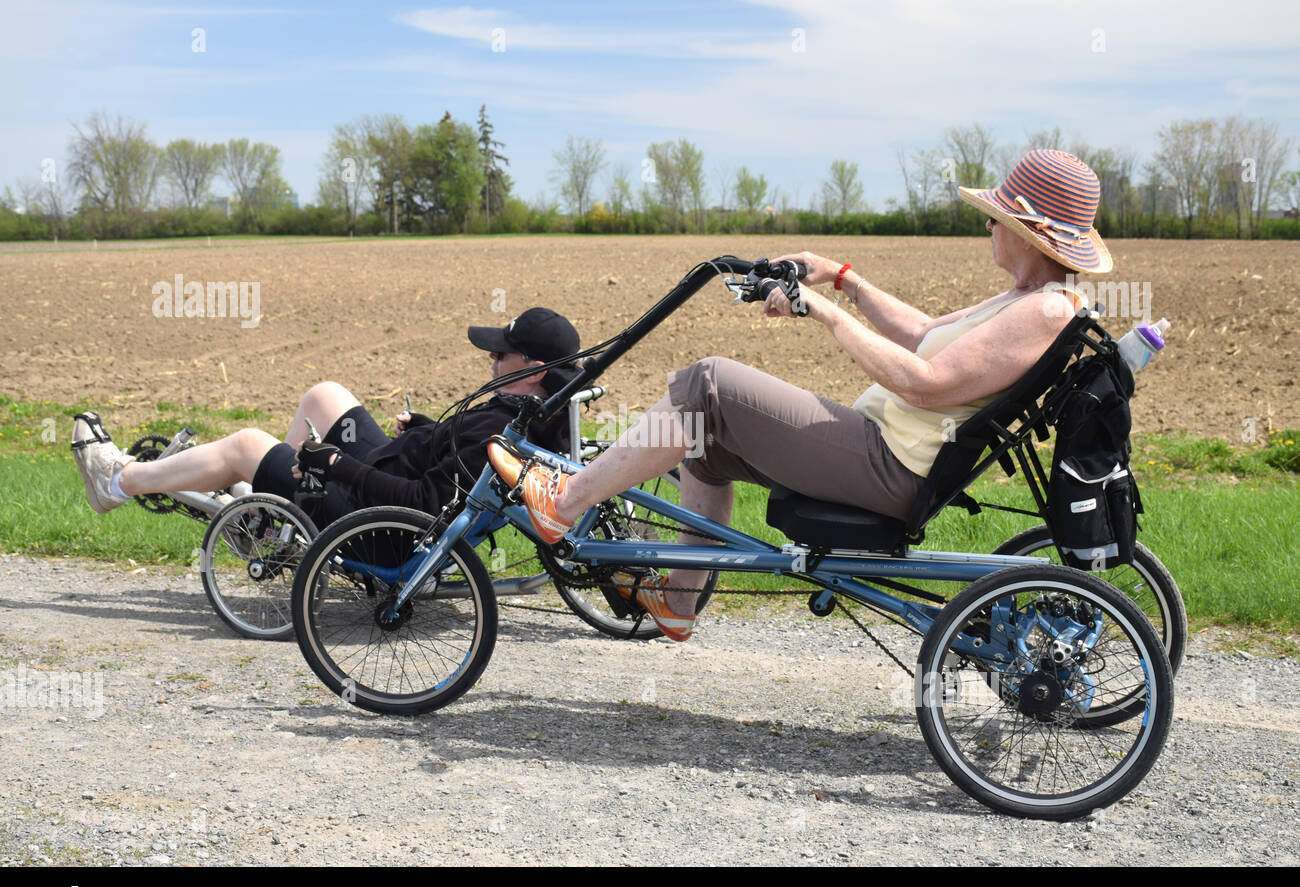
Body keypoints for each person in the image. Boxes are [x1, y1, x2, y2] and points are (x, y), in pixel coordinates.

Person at [488, 150, 1111, 641]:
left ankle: (564, 503)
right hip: (881, 450)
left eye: (998, 217)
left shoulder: (1044, 310)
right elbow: (924, 335)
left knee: (707, 381)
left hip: (887, 464)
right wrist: (841, 277)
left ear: (1031, 232)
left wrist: (824, 313)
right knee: (706, 442)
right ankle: (676, 604)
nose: (987, 225)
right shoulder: (1026, 300)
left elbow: (926, 383)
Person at [72, 307, 581, 529]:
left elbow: (426, 503)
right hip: (387, 468)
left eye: (500, 356)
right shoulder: (527, 415)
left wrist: (335, 462)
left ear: (533, 371)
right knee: (325, 394)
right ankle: (273, 515)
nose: (490, 361)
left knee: (246, 444)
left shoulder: (499, 432)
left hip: (376, 515)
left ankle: (116, 482)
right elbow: (455, 465)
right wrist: (427, 428)